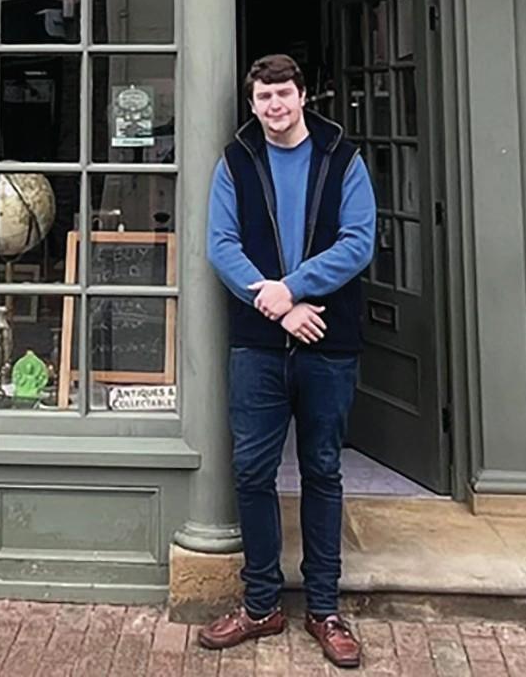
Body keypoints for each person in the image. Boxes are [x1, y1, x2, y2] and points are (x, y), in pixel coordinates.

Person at [199, 54, 376, 669]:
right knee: (252, 472)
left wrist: (292, 288)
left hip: (328, 339)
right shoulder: (236, 162)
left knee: (323, 469)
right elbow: (220, 245)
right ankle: (261, 604)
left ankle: (324, 608)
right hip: (258, 342)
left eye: (283, 94)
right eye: (263, 97)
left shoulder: (342, 157)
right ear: (252, 104)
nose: (274, 106)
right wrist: (277, 306)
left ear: (304, 95)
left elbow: (359, 239)